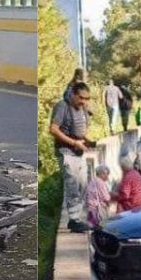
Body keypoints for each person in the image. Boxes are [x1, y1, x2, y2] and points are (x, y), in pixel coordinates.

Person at [50, 82, 93, 232]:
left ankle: (77, 218)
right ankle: (74, 220)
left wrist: (87, 141)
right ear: (73, 94)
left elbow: (81, 130)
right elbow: (53, 130)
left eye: (87, 99)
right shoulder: (63, 106)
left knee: (82, 185)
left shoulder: (83, 109)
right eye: (81, 98)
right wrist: (73, 142)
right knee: (73, 185)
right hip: (66, 152)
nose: (84, 101)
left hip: (79, 152)